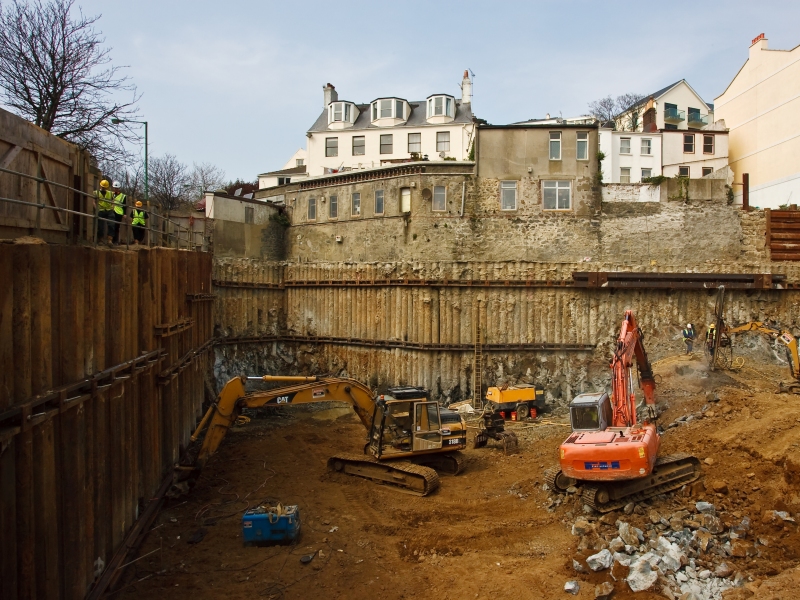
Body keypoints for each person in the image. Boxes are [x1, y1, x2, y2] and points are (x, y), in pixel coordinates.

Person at [94, 179, 115, 245]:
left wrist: (112, 207)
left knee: (111, 224)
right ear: (100, 186)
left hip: (109, 210)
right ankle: (100, 239)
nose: (103, 188)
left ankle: (110, 239)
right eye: (102, 187)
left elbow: (113, 201)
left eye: (105, 187)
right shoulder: (96, 192)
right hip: (101, 210)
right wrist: (96, 208)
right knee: (100, 225)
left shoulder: (110, 193)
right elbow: (93, 201)